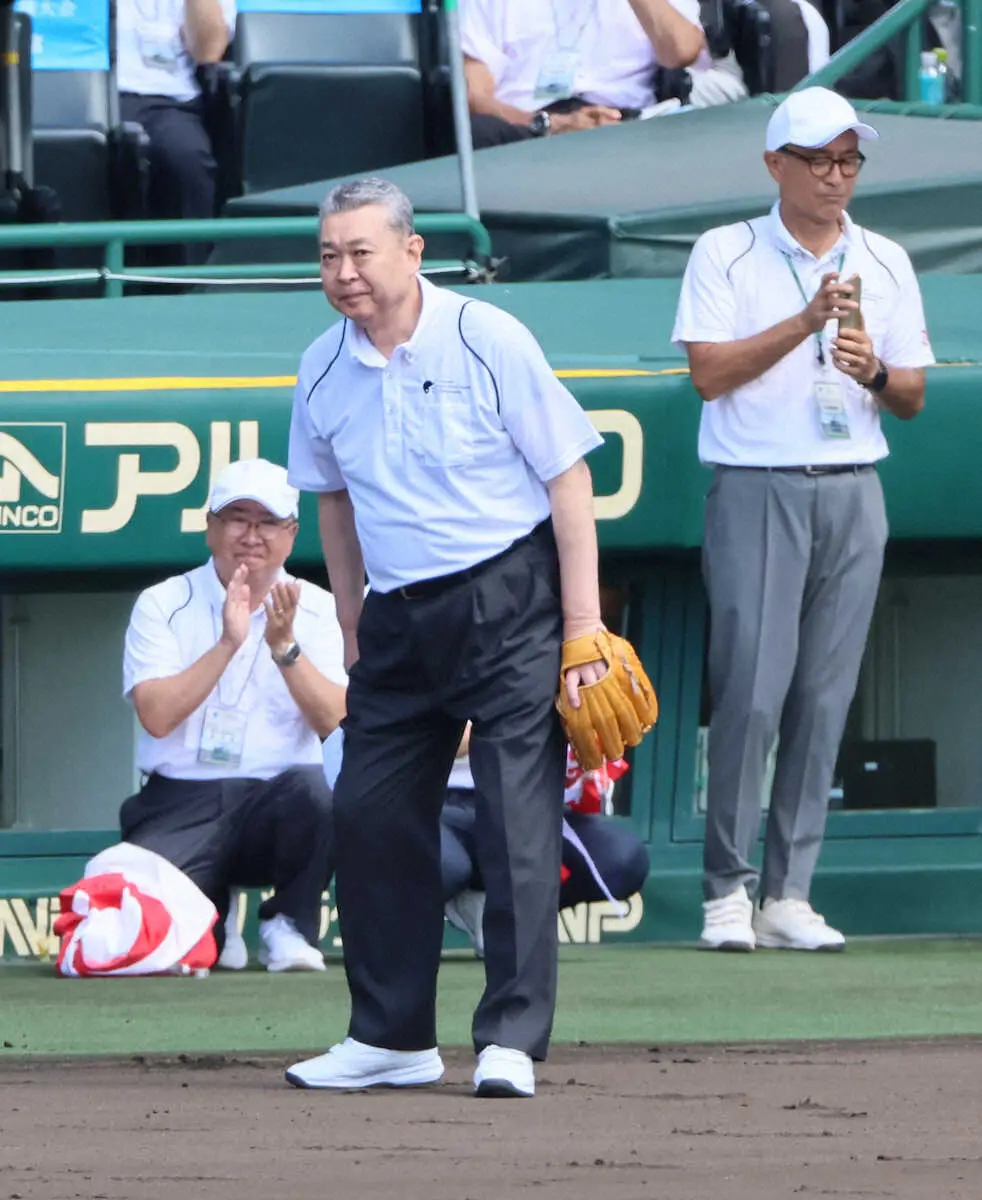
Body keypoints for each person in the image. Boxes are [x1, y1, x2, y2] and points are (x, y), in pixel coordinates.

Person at [285, 176, 606, 1099]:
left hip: (509, 597)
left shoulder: (486, 335)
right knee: (369, 815)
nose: (343, 272)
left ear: (412, 250)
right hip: (394, 619)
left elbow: (568, 479)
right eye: (328, 255)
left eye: (360, 252)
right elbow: (333, 504)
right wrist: (350, 624)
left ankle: (509, 1039)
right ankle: (390, 1038)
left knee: (513, 821)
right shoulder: (318, 365)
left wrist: (581, 628)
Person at [672, 88, 933, 952]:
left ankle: (789, 893)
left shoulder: (888, 259)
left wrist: (870, 370)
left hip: (854, 485)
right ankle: (725, 891)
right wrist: (808, 320)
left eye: (850, 160)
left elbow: (913, 398)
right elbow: (708, 374)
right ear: (775, 164)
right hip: (756, 482)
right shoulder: (726, 250)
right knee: (750, 688)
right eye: (819, 160)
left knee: (825, 697)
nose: (836, 177)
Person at [119, 458, 348, 972]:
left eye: (267, 522)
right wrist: (229, 642)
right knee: (174, 938)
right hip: (181, 795)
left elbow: (337, 722)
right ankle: (212, 921)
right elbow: (156, 716)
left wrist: (285, 647)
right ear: (211, 528)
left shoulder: (319, 608)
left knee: (323, 788)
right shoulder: (163, 603)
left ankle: (288, 925)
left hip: (278, 798)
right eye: (237, 518)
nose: (251, 534)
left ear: (290, 534)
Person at [443, 733, 650, 958]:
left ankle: (505, 916)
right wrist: (521, 720)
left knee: (622, 859)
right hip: (441, 799)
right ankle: (422, 922)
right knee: (447, 866)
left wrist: (584, 740)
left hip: (532, 798)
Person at [460, 0, 704, 147]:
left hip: (624, 120)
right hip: (529, 126)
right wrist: (549, 124)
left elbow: (682, 51)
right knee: (476, 132)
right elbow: (475, 96)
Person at [116, 0, 236, 260]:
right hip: (83, 89)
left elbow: (208, 51)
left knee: (188, 161)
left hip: (167, 100)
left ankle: (188, 285)